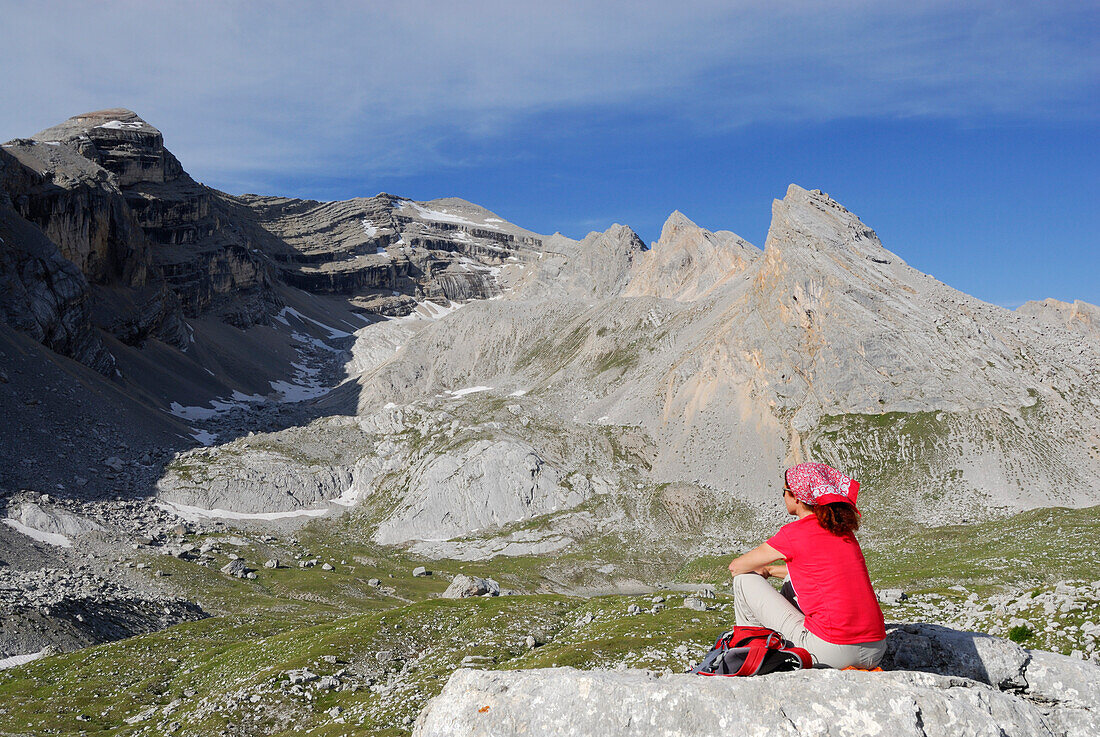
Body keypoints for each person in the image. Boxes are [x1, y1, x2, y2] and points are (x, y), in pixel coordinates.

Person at [727, 462, 886, 669]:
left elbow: (736, 567)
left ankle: (750, 653)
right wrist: (770, 570)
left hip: (830, 652)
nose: (783, 496)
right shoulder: (843, 531)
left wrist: (760, 570)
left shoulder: (794, 533)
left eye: (785, 491)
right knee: (789, 579)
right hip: (876, 650)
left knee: (743, 580)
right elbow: (817, 572)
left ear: (798, 497)